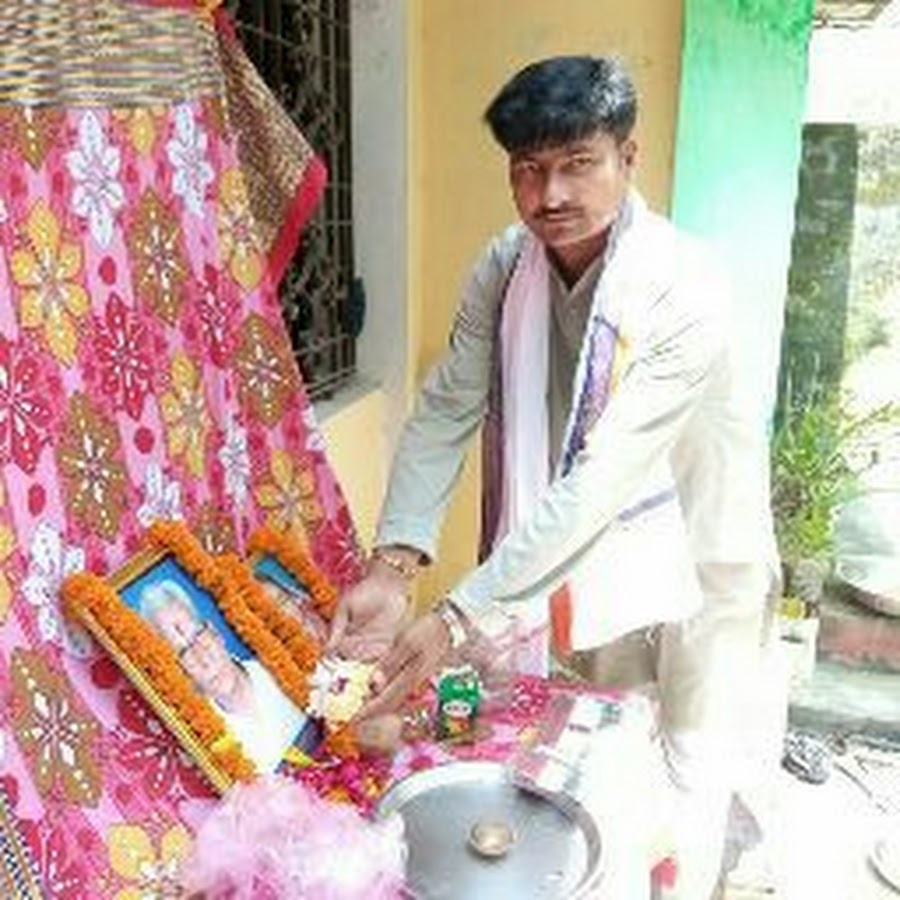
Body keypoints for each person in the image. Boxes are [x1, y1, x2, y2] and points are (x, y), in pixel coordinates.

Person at [329, 55, 780, 898]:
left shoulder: (686, 286)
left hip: (700, 558)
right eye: (528, 170)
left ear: (627, 158)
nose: (551, 195)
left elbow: (607, 477)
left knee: (691, 765)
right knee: (595, 753)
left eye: (578, 163)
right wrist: (393, 567)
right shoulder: (505, 268)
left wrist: (457, 617)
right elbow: (446, 407)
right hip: (579, 560)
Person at [140, 580, 316, 772]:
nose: (203, 657)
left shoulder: (281, 666)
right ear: (177, 670)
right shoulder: (207, 745)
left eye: (197, 635)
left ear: (215, 633)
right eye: (182, 652)